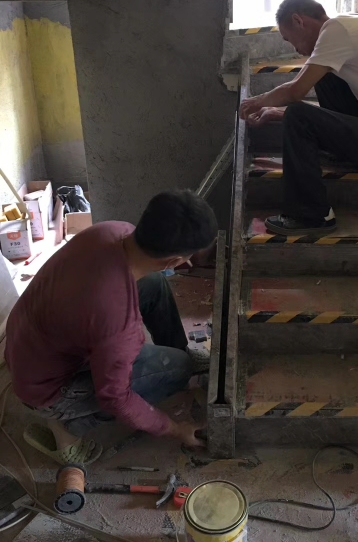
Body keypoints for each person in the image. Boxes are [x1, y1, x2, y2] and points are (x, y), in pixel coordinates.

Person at [5, 190, 218, 465]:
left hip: (28, 343)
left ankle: (179, 349)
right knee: (179, 368)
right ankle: (66, 429)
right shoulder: (118, 322)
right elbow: (116, 398)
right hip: (45, 389)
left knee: (153, 284)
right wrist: (175, 429)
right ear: (175, 261)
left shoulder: (112, 230)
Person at [240, 0, 358, 235]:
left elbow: (296, 91)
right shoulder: (346, 29)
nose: (294, 48)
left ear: (298, 20)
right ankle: (337, 155)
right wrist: (278, 112)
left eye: (289, 39)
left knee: (298, 112)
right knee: (321, 74)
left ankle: (312, 214)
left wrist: (255, 102)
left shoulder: (337, 30)